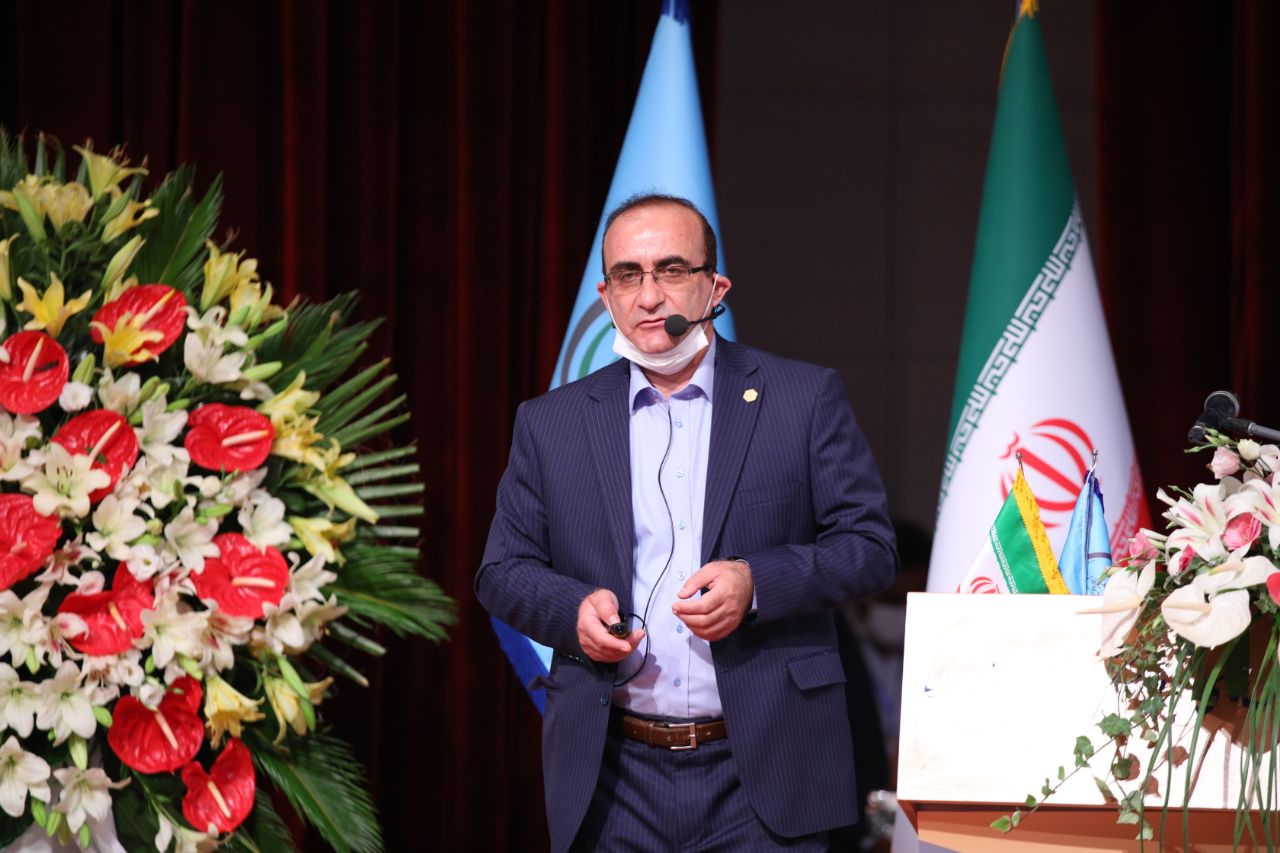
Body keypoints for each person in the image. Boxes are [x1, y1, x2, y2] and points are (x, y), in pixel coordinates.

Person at [475, 193, 897, 852]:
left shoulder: (802, 398)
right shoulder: (551, 422)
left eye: (672, 270)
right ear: (606, 297)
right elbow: (502, 571)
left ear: (715, 287)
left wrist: (756, 583)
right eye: (628, 275)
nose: (649, 296)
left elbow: (870, 547)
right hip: (614, 775)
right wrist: (573, 609)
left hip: (763, 769)